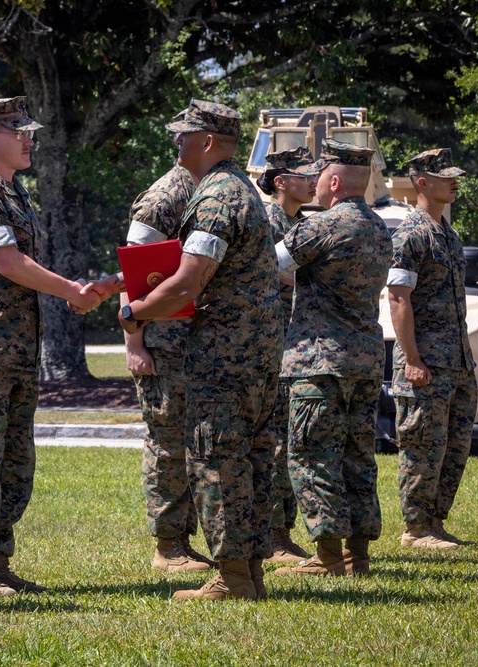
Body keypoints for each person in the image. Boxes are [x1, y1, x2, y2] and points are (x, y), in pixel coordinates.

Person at [117, 99, 283, 600]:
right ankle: (248, 571)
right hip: (252, 349)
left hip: (224, 354)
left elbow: (187, 282)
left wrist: (133, 314)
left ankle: (232, 576)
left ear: (208, 142)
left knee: (217, 456)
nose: (176, 143)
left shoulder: (215, 197)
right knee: (251, 455)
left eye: (184, 135)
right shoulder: (240, 190)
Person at [0, 96, 101, 597]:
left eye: (30, 131)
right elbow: (8, 262)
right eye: (19, 132)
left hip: (13, 347)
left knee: (14, 460)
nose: (29, 139)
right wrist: (72, 291)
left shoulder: (12, 191)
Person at [274, 138, 393, 577]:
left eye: (318, 175)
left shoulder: (322, 226)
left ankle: (327, 557)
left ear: (335, 180)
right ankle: (356, 555)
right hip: (364, 360)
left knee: (310, 455)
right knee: (358, 456)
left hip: (319, 361)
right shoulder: (379, 226)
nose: (313, 183)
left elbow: (272, 264)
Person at [121, 160, 217, 573]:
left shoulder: (210, 189)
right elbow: (134, 275)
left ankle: (184, 539)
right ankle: (168, 545)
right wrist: (135, 344)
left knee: (195, 444)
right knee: (167, 445)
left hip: (196, 341)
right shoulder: (164, 197)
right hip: (163, 343)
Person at [387, 148, 477, 549]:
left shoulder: (449, 234)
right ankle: (415, 529)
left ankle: (435, 523)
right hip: (425, 363)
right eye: (446, 176)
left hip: (455, 362)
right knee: (422, 446)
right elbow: (398, 298)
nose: (454, 181)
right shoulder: (411, 233)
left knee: (452, 449)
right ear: (422, 180)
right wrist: (412, 359)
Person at [256, 146, 318, 564]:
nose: (314, 180)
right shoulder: (266, 223)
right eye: (304, 174)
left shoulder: (305, 224)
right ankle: (273, 537)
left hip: (297, 347)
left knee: (291, 442)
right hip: (270, 348)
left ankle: (283, 532)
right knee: (275, 443)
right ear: (281, 181)